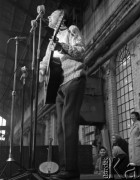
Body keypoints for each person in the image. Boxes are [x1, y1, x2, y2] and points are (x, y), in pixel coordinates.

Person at [39, 9, 86, 179]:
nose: (49, 17)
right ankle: (65, 168)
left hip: (74, 78)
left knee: (69, 124)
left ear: (60, 19)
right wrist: (41, 70)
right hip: (58, 85)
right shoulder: (52, 40)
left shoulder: (72, 30)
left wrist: (63, 47)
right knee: (60, 128)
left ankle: (72, 171)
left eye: (52, 15)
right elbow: (45, 60)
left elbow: (81, 51)